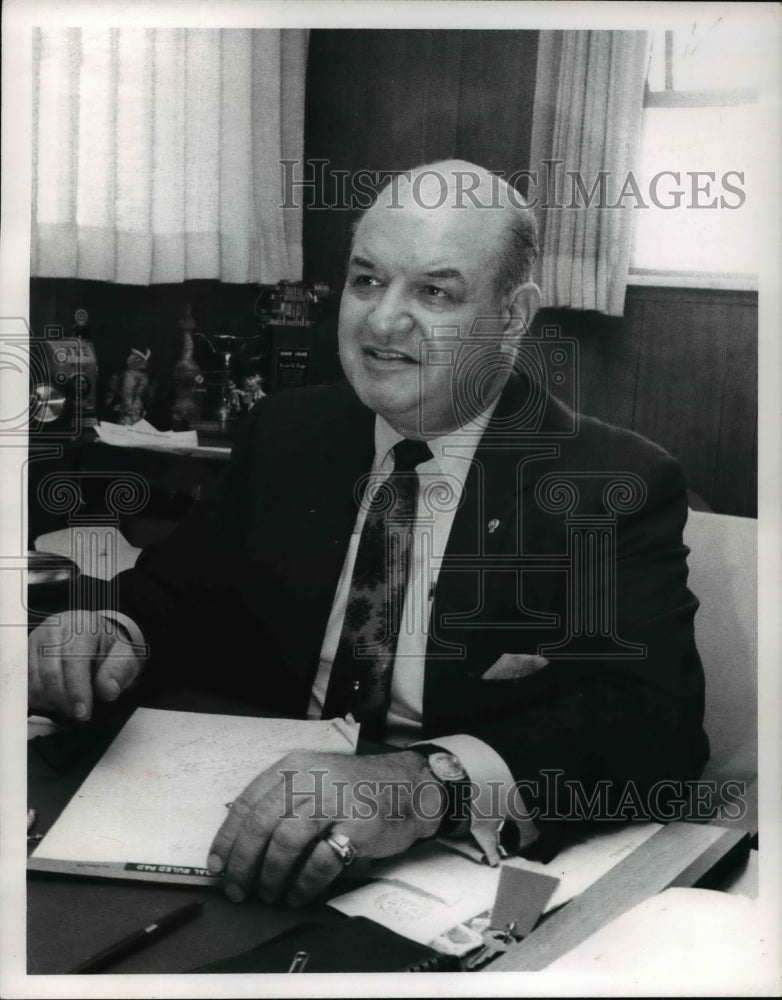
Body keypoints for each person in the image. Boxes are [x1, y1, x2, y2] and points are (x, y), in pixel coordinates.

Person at [28, 160, 708, 909]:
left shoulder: (612, 480)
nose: (384, 322)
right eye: (367, 281)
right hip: (241, 824)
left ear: (513, 318)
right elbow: (176, 592)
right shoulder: (287, 433)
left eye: (434, 291)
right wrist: (114, 631)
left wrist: (422, 784)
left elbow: (654, 730)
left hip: (447, 870)